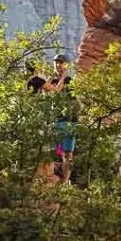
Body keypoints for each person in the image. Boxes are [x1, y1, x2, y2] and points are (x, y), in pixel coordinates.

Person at [50, 54, 76, 182]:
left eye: (61, 62)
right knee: (54, 152)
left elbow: (60, 93)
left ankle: (65, 181)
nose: (58, 65)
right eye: (56, 62)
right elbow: (54, 93)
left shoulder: (70, 81)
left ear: (66, 65)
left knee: (68, 153)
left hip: (68, 121)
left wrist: (65, 77)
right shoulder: (52, 81)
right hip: (55, 120)